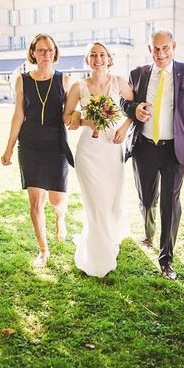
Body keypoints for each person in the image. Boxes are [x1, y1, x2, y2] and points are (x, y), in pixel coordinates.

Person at [121, 29, 184, 280]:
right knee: (147, 200)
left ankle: (166, 258)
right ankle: (149, 231)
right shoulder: (138, 75)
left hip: (174, 150)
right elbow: (123, 103)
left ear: (173, 47)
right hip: (144, 146)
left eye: (165, 48)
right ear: (149, 50)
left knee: (170, 202)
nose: (160, 54)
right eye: (155, 49)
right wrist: (135, 109)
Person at [1, 34, 73, 267]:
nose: (46, 55)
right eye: (41, 50)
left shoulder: (64, 79)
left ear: (55, 52)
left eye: (49, 50)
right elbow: (18, 114)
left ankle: (60, 216)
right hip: (30, 144)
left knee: (56, 199)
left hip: (56, 144)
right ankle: (43, 250)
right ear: (32, 52)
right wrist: (9, 148)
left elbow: (71, 112)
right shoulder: (22, 80)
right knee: (35, 201)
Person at [63, 42, 133, 277]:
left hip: (112, 147)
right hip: (88, 152)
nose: (97, 58)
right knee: (94, 202)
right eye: (93, 55)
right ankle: (97, 254)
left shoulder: (119, 82)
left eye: (102, 54)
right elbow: (66, 116)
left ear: (109, 59)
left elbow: (134, 108)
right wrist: (83, 121)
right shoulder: (78, 86)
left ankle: (108, 237)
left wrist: (124, 127)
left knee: (111, 200)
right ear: (87, 60)